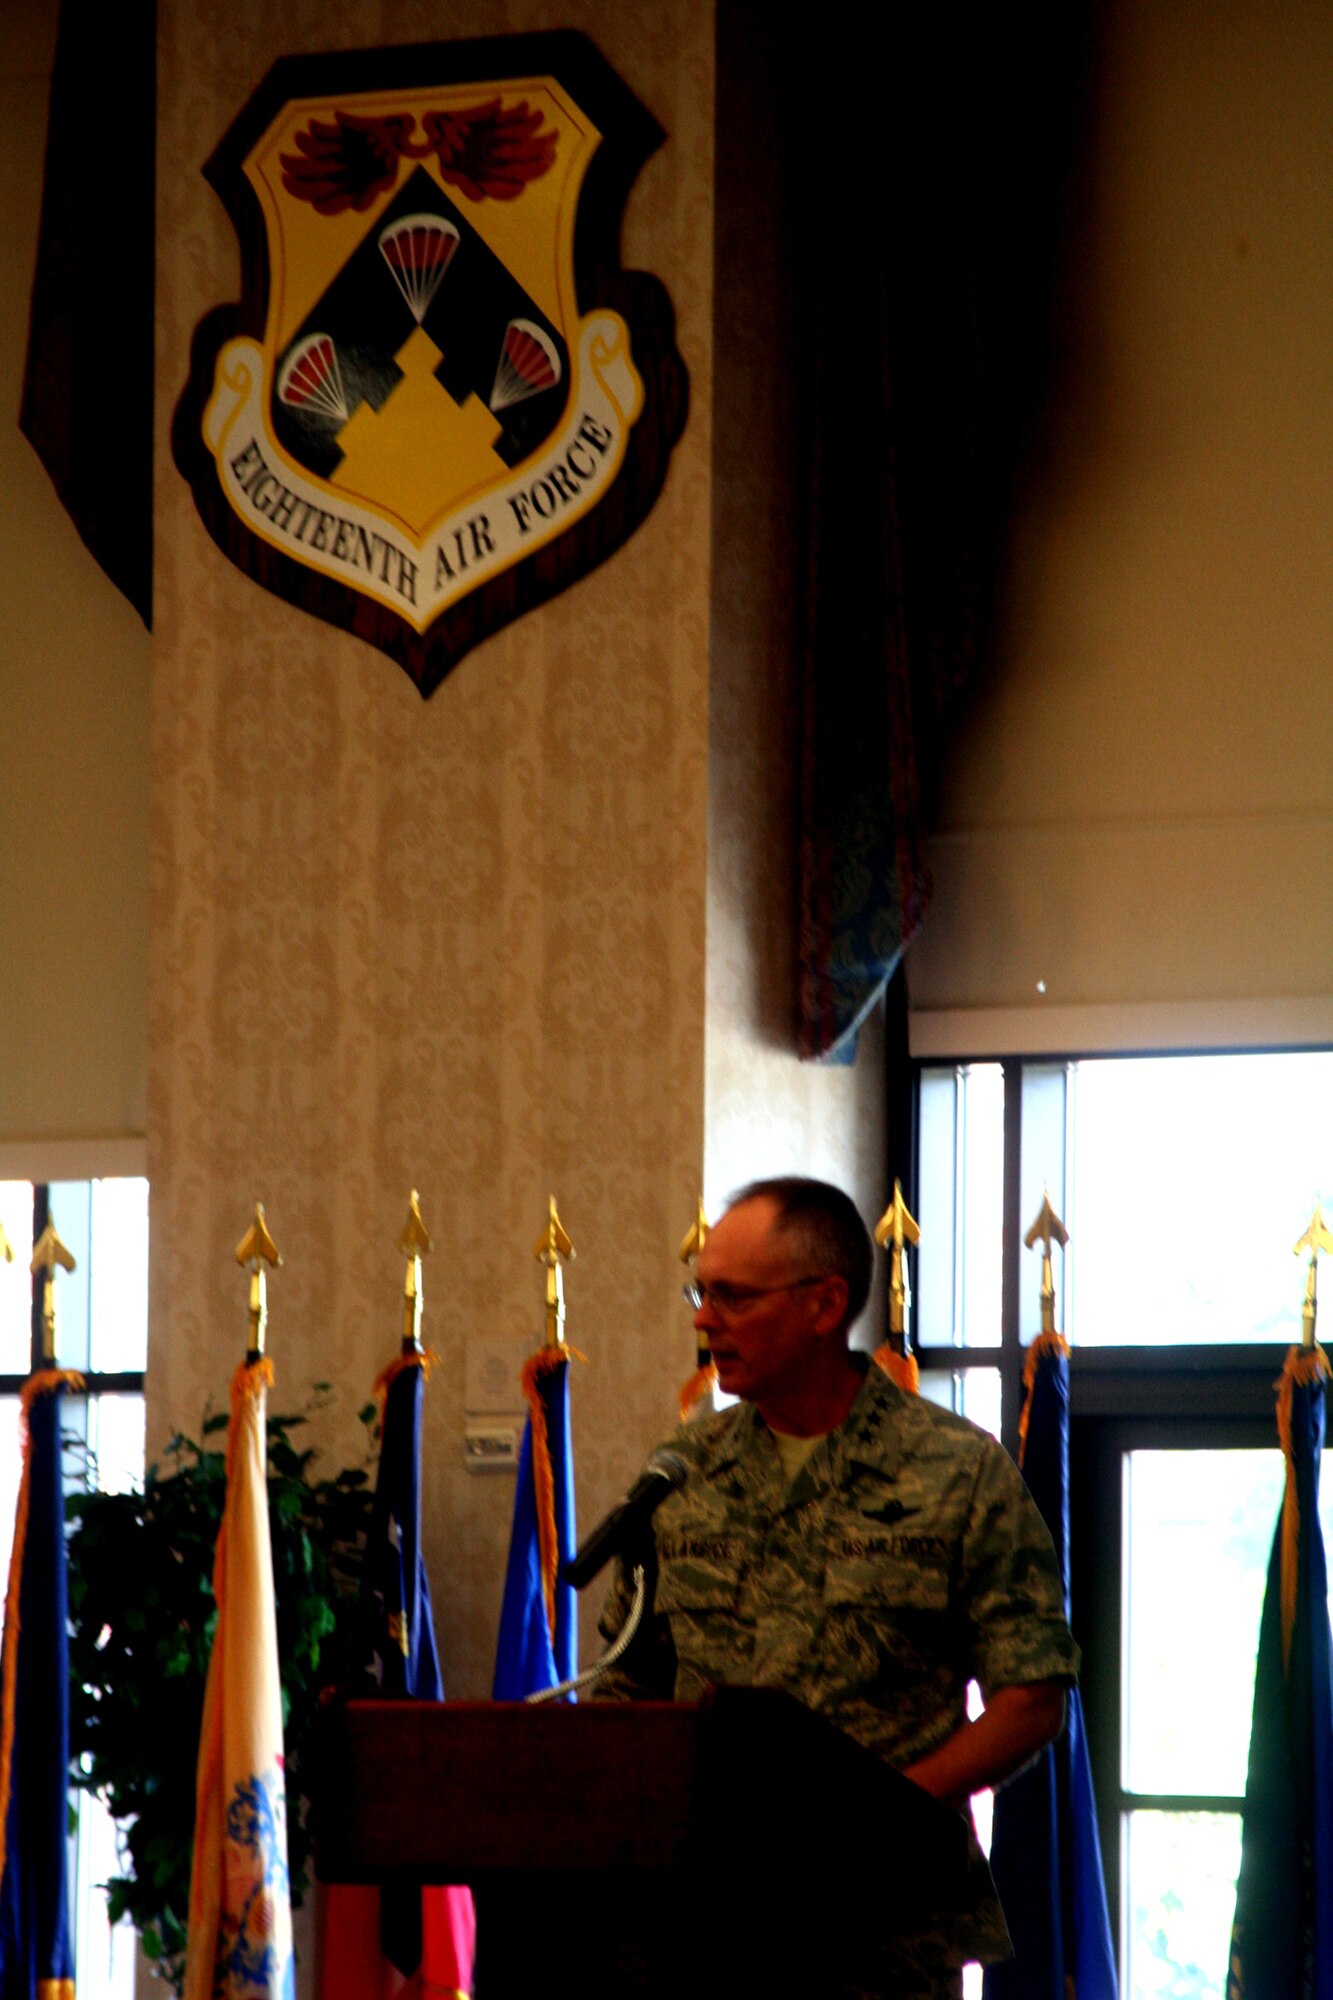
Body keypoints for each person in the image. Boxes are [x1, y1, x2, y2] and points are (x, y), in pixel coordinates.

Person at [595, 1176, 1079, 2000]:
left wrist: (886, 1807)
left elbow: (1031, 1695)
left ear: (825, 1305)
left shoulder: (956, 1471)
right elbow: (625, 1682)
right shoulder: (681, 1473)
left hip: (878, 1929)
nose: (702, 1320)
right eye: (700, 1292)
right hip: (697, 1925)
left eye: (732, 1297)